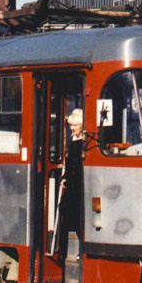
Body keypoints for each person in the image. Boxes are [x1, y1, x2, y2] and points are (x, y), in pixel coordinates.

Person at [55, 108, 84, 256]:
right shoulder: (74, 141)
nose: (72, 128)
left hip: (78, 185)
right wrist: (65, 177)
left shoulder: (83, 142)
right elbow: (70, 163)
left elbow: (78, 165)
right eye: (71, 125)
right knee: (68, 215)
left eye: (75, 125)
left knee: (77, 217)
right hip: (72, 184)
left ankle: (79, 250)